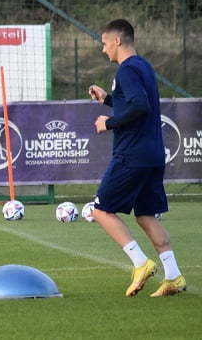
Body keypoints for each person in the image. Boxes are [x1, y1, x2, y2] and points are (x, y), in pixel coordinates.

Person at [88, 19, 186, 297]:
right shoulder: (143, 66)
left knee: (101, 210)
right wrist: (108, 98)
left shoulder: (127, 69)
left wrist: (109, 123)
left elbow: (140, 105)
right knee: (145, 215)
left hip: (132, 153)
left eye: (105, 44)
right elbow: (136, 100)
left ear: (117, 41)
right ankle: (174, 276)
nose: (103, 49)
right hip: (153, 153)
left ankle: (140, 263)